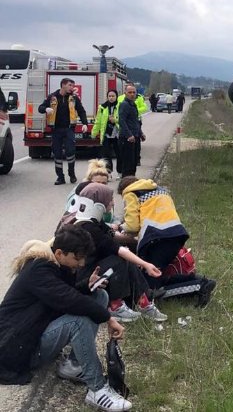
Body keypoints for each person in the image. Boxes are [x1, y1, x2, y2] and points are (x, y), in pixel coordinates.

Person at [0, 226, 131, 411]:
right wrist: (109, 318)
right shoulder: (39, 269)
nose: (82, 263)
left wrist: (87, 285)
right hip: (16, 349)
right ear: (60, 252)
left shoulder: (57, 264)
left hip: (33, 333)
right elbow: (68, 300)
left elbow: (62, 297)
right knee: (79, 321)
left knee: (99, 297)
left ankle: (73, 364)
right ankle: (97, 389)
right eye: (77, 258)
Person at [73, 183, 167, 323]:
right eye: (109, 199)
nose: (112, 202)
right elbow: (117, 249)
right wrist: (145, 264)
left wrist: (136, 240)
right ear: (99, 203)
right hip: (86, 278)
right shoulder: (87, 228)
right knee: (119, 259)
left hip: (94, 269)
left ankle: (143, 301)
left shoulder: (93, 222)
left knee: (126, 257)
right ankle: (115, 307)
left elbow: (112, 235)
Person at [118, 176, 216, 305]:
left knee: (150, 288)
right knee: (157, 274)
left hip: (156, 239)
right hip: (176, 234)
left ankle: (199, 286)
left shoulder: (131, 193)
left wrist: (119, 228)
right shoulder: (160, 190)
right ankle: (195, 279)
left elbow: (132, 225)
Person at [38, 78, 88, 185]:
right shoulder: (52, 97)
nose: (72, 87)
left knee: (70, 151)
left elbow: (81, 111)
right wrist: (46, 109)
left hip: (69, 129)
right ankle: (60, 177)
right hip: (56, 130)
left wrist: (85, 124)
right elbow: (40, 107)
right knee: (57, 153)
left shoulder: (74, 98)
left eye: (73, 85)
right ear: (63, 85)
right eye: (70, 85)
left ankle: (72, 174)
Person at [117, 83, 147, 167]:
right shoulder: (124, 104)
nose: (132, 94)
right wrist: (129, 135)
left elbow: (136, 121)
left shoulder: (133, 104)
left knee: (133, 162)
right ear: (125, 93)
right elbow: (122, 120)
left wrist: (141, 133)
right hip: (127, 138)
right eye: (130, 92)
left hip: (135, 136)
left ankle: (132, 179)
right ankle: (126, 179)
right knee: (127, 163)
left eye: (134, 92)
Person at [92, 89, 120, 176]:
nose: (111, 98)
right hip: (106, 134)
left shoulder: (120, 106)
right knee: (106, 155)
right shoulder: (102, 107)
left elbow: (123, 120)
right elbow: (98, 121)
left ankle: (120, 172)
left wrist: (115, 120)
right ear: (107, 97)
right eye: (109, 96)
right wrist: (94, 132)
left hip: (117, 134)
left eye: (113, 96)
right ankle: (108, 172)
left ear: (116, 97)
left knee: (119, 154)